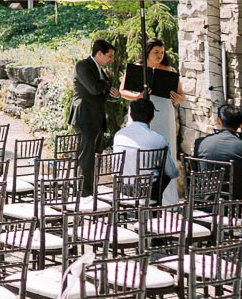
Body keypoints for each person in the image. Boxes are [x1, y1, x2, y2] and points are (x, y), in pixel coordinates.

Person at [118, 38, 184, 172]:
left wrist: (178, 98)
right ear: (147, 52)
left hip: (164, 113)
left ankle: (165, 185)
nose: (160, 55)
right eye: (156, 52)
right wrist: (137, 96)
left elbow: (182, 96)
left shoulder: (170, 70)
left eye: (162, 52)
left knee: (164, 146)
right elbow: (122, 91)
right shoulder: (137, 68)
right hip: (140, 112)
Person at [71, 39, 119, 196]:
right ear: (99, 53)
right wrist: (106, 84)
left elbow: (105, 93)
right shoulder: (82, 65)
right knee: (85, 158)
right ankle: (81, 194)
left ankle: (91, 191)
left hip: (97, 118)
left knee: (94, 158)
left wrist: (116, 95)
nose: (111, 59)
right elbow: (94, 88)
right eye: (110, 56)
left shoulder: (101, 71)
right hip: (84, 117)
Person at [193, 103, 242, 200]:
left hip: (206, 202)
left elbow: (195, 172)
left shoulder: (200, 143)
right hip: (238, 207)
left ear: (218, 121)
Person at [112, 98, 178, 201]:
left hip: (121, 187)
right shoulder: (158, 139)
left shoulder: (119, 135)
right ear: (152, 117)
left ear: (131, 115)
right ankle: (154, 209)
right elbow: (172, 172)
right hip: (147, 190)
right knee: (164, 172)